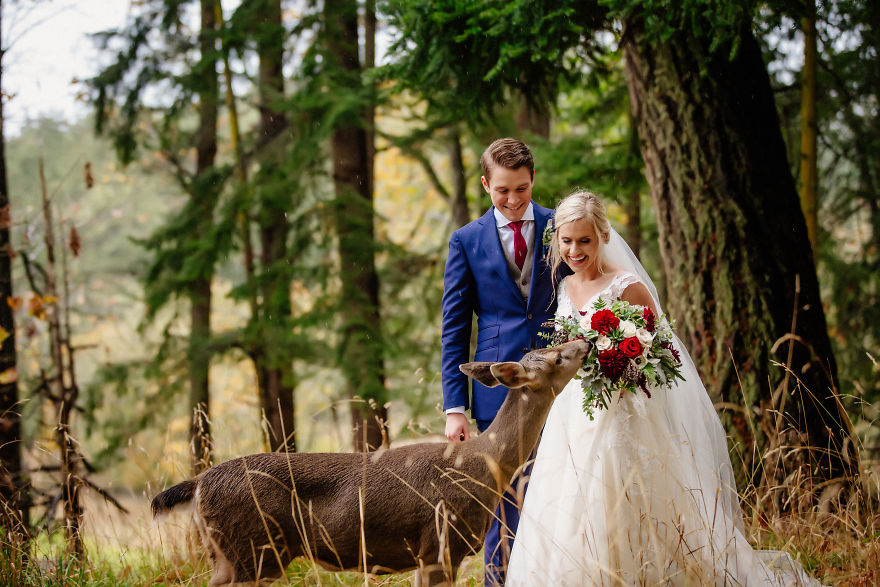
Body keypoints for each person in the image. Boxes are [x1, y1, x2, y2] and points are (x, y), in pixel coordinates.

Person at [505, 191, 822, 586]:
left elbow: (663, 353)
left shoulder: (626, 286)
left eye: (584, 240)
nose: (574, 250)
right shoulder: (566, 287)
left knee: (624, 493)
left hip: (624, 413)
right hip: (576, 412)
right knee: (570, 499)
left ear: (602, 235)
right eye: (566, 241)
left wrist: (622, 366)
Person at [440, 138, 562, 585]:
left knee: (559, 493)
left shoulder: (559, 227)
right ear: (486, 184)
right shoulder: (467, 241)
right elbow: (454, 328)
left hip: (557, 383)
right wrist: (455, 407)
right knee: (504, 504)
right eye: (503, 191)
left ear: (533, 181)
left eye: (523, 190)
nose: (513, 201)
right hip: (496, 392)